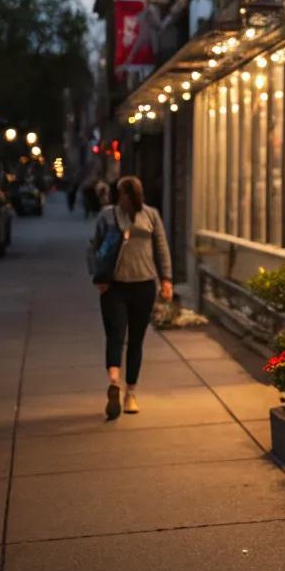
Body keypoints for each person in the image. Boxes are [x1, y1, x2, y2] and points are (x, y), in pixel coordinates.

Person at [91, 174, 172, 420]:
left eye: (125, 194)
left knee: (136, 340)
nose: (122, 198)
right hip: (114, 287)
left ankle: (131, 392)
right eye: (121, 194)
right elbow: (93, 248)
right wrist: (98, 278)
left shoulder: (150, 215)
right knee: (115, 335)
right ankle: (114, 382)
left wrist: (166, 279)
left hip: (144, 285)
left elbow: (161, 247)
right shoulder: (107, 215)